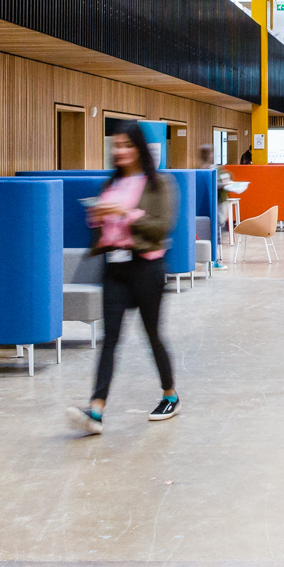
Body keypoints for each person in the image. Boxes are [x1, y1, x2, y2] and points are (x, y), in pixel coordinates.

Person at [67, 125, 180, 434]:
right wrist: (97, 218)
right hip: (115, 268)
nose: (120, 151)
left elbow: (161, 227)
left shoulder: (159, 184)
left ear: (139, 148)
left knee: (152, 335)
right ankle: (96, 409)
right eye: (116, 145)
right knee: (110, 339)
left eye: (127, 145)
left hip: (146, 267)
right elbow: (102, 232)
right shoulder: (110, 184)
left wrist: (126, 212)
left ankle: (170, 395)